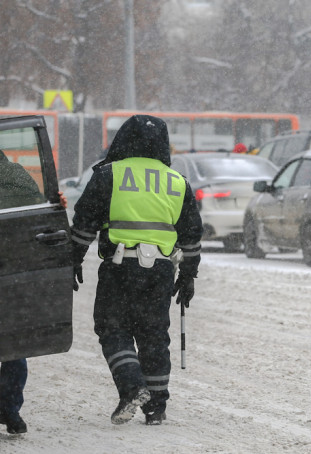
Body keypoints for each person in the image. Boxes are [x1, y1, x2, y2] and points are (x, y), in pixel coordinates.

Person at [70, 115, 203, 426]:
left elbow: (85, 222)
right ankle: (156, 405)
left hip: (120, 265)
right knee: (154, 334)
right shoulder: (177, 181)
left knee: (113, 328)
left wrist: (73, 258)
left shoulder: (109, 174)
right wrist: (188, 275)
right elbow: (192, 236)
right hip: (160, 270)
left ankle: (131, 387)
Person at [0, 151, 68, 435]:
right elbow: (37, 214)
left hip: (11, 267)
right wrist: (54, 205)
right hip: (13, 267)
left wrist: (55, 205)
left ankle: (8, 408)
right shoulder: (17, 174)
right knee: (14, 343)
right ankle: (9, 408)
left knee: (14, 344)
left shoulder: (13, 176)